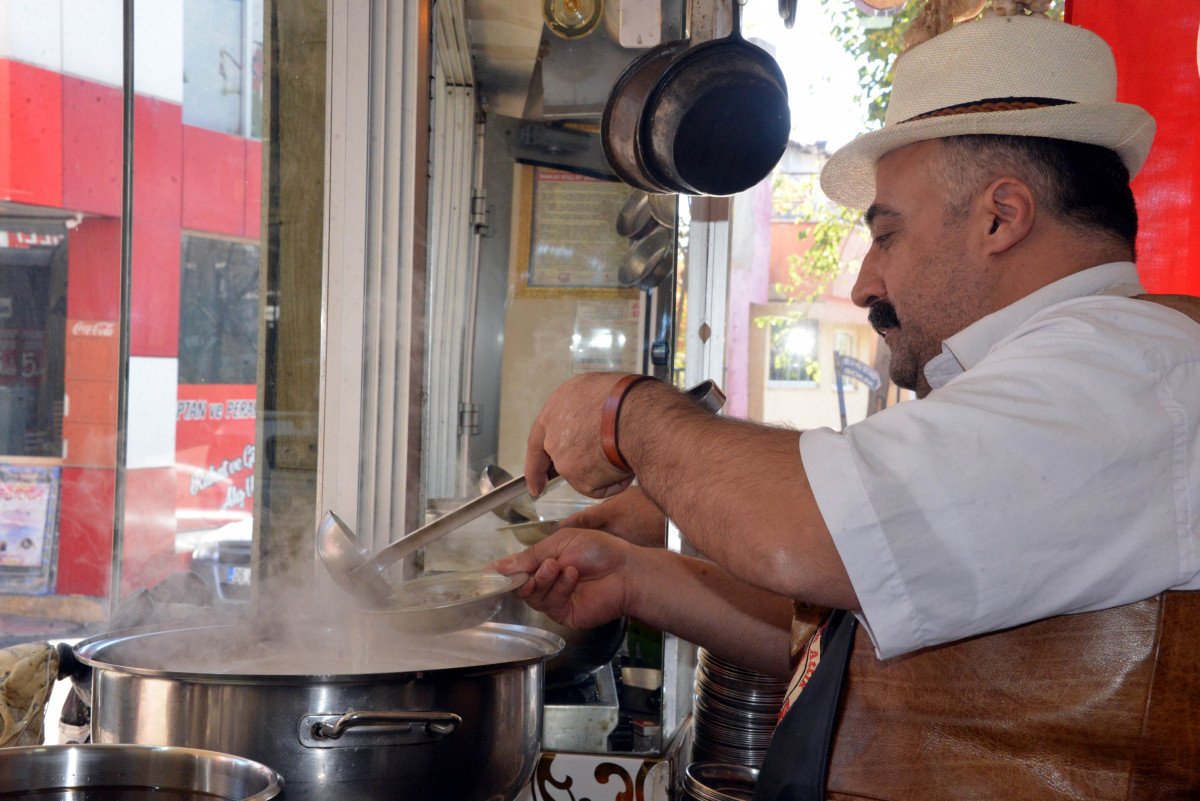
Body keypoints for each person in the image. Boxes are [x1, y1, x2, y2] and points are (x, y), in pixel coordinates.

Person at [494, 9, 1200, 801]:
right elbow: (854, 624)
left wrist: (625, 414)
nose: (864, 283)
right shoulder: (1080, 373)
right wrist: (634, 578)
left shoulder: (1123, 372)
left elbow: (808, 536)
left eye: (887, 234)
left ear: (1002, 216)